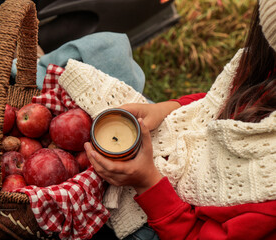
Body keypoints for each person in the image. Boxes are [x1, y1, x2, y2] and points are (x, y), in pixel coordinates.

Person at [66, 0, 275, 239]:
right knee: (108, 47)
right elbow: (218, 101)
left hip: (171, 219)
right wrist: (166, 108)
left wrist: (147, 182)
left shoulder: (268, 200)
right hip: (173, 154)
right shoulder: (266, 69)